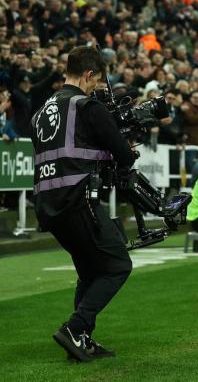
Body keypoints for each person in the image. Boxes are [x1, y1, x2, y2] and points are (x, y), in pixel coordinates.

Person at [29, 46, 136, 361]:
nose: (96, 88)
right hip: (77, 200)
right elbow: (124, 155)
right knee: (117, 265)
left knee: (90, 272)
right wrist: (125, 144)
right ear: (89, 74)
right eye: (97, 81)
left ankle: (81, 341)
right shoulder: (86, 106)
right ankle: (74, 328)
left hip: (47, 204)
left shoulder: (41, 111)